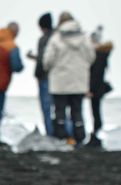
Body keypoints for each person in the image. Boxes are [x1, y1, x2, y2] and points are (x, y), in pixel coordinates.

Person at [43, 12, 95, 145]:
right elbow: (91, 57)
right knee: (77, 111)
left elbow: (47, 61)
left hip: (59, 82)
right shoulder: (84, 39)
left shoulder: (56, 38)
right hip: (78, 82)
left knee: (60, 112)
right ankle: (79, 138)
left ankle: (62, 138)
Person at [85, 27, 114, 148]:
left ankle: (96, 135)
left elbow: (95, 75)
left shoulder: (98, 55)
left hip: (95, 89)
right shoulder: (103, 55)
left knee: (95, 112)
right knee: (96, 112)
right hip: (99, 88)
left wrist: (90, 89)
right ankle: (97, 133)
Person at [26, 13, 54, 136]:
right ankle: (64, 134)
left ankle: (50, 134)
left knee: (46, 108)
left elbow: (42, 60)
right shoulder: (57, 38)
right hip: (57, 78)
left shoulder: (44, 39)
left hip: (45, 78)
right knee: (59, 109)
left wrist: (37, 74)